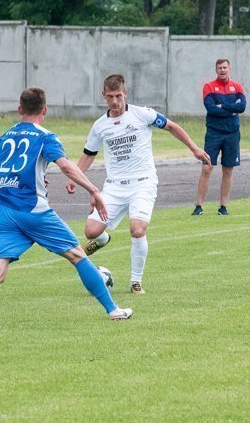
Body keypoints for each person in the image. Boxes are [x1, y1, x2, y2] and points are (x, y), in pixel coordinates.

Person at [0, 87, 132, 327]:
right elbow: (65, 166)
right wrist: (94, 190)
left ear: (20, 109)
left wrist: (31, 177)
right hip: (32, 209)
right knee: (77, 255)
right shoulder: (45, 136)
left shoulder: (3, 138)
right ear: (44, 110)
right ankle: (114, 310)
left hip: (2, 211)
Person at [65, 74, 210, 294]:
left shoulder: (143, 114)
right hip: (114, 186)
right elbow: (88, 154)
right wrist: (74, 177)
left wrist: (194, 148)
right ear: (103, 95)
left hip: (143, 183)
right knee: (91, 232)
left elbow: (171, 126)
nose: (115, 101)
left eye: (118, 95)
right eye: (110, 96)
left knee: (137, 229)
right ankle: (103, 240)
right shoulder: (100, 125)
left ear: (126, 93)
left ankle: (135, 282)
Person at [192, 58, 246, 216]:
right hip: (214, 133)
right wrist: (231, 110)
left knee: (228, 170)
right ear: (216, 70)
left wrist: (223, 106)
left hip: (232, 134)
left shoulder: (237, 87)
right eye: (220, 68)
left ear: (229, 69)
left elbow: (242, 107)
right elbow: (211, 109)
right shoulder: (209, 87)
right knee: (207, 168)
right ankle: (199, 206)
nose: (222, 70)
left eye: (225, 67)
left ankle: (223, 207)